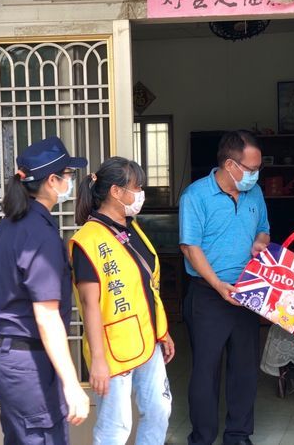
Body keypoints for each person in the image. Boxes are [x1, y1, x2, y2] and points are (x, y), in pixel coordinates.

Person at [0, 136, 90, 445]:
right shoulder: (38, 234)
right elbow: (46, 315)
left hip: (4, 355)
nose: (71, 181)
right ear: (51, 181)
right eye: (68, 175)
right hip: (25, 362)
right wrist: (71, 384)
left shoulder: (10, 224)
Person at [70, 156, 175, 445]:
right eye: (136, 187)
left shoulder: (131, 227)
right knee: (115, 427)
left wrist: (161, 331)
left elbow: (145, 286)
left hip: (146, 339)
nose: (140, 194)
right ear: (116, 192)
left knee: (159, 410)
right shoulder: (88, 240)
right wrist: (99, 362)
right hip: (113, 347)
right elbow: (90, 304)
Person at [179, 130, 270, 445]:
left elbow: (263, 230)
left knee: (244, 368)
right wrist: (218, 285)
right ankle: (202, 436)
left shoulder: (254, 194)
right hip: (209, 294)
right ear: (231, 165)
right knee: (206, 370)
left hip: (249, 290)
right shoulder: (195, 196)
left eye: (258, 169)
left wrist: (260, 243)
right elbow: (190, 248)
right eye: (251, 169)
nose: (255, 175)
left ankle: (238, 434)